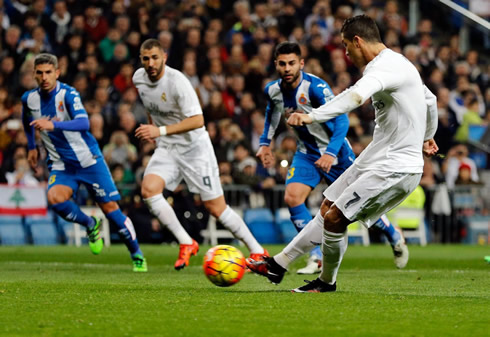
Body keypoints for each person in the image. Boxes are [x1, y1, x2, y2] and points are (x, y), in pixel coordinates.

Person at [248, 15, 439, 292]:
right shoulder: (399, 64)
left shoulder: (383, 69)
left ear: (358, 42)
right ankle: (278, 265)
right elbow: (430, 100)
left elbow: (356, 97)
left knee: (336, 217)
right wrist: (428, 135)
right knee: (327, 208)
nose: (345, 52)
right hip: (376, 157)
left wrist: (312, 117)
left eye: (346, 45)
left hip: (396, 167)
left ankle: (326, 282)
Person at [255, 41, 409, 275]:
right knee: (292, 197)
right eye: (282, 64)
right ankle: (316, 256)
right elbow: (272, 113)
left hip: (336, 154)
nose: (287, 68)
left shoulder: (316, 87)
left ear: (301, 64)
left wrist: (329, 153)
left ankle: (393, 235)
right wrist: (265, 144)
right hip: (306, 153)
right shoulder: (273, 90)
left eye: (292, 63)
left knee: (356, 208)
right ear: (276, 64)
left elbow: (342, 120)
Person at [132, 39, 268, 270]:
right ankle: (186, 242)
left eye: (155, 57)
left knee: (216, 208)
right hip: (167, 147)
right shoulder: (139, 78)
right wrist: (153, 129)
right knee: (149, 190)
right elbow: (150, 105)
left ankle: (257, 251)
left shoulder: (178, 82)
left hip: (195, 149)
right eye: (146, 59)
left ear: (164, 56)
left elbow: (198, 120)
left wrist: (159, 130)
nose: (151, 63)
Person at [22, 53, 147, 272]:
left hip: (89, 161)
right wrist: (32, 147)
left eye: (48, 72)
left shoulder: (68, 94)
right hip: (61, 165)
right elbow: (27, 119)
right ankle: (90, 224)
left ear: (57, 73)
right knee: (55, 198)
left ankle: (136, 253)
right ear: (34, 74)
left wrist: (54, 126)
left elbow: (84, 123)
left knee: (111, 211)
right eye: (39, 73)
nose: (44, 77)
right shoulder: (29, 99)